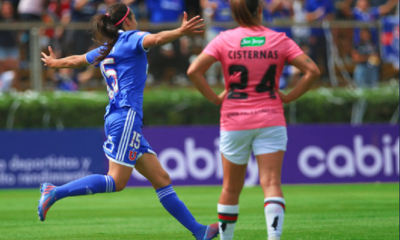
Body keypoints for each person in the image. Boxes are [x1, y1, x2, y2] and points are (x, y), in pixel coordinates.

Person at [38, 3, 219, 240]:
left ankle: (200, 231)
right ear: (128, 21)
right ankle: (55, 191)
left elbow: (76, 61)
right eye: (134, 17)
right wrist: (180, 32)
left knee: (161, 178)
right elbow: (155, 39)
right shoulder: (131, 39)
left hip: (119, 117)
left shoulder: (106, 48)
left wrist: (54, 63)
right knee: (116, 180)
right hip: (125, 117)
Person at [187, 0, 320, 239]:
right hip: (271, 118)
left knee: (230, 187)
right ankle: (274, 237)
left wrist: (216, 98)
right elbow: (313, 70)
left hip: (234, 119)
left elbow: (193, 71)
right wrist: (289, 97)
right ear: (260, 9)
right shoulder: (279, 39)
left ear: (236, 13)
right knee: (271, 183)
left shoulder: (224, 39)